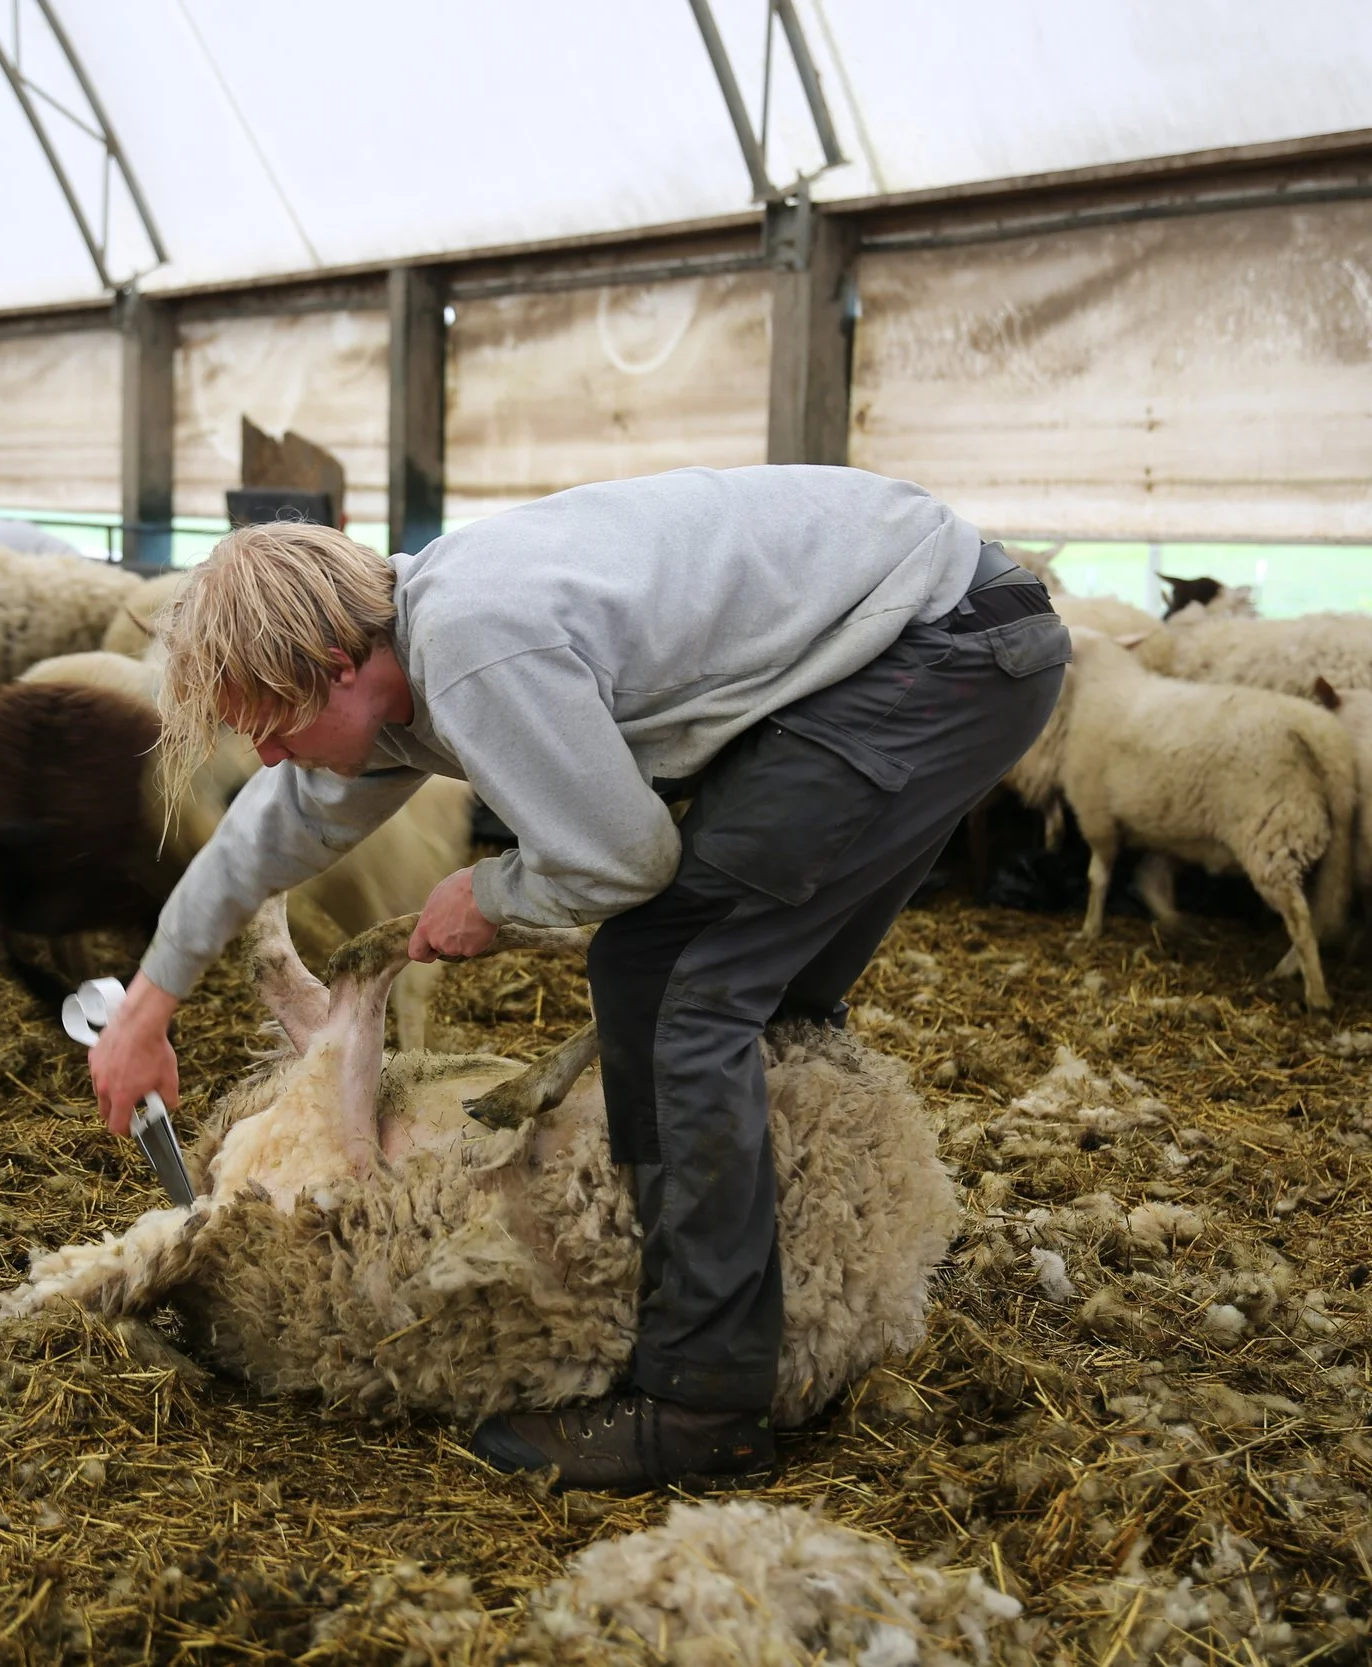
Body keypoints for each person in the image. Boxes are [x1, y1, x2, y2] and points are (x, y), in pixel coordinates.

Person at [85, 464, 1069, 1490]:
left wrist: (492, 894)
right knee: (752, 978)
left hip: (935, 649)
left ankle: (705, 1398)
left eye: (267, 718)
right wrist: (147, 1008)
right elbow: (263, 837)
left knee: (672, 976)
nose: (265, 749)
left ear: (335, 662)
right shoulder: (393, 679)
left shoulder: (470, 645)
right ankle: (803, 1262)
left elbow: (623, 859)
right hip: (947, 637)